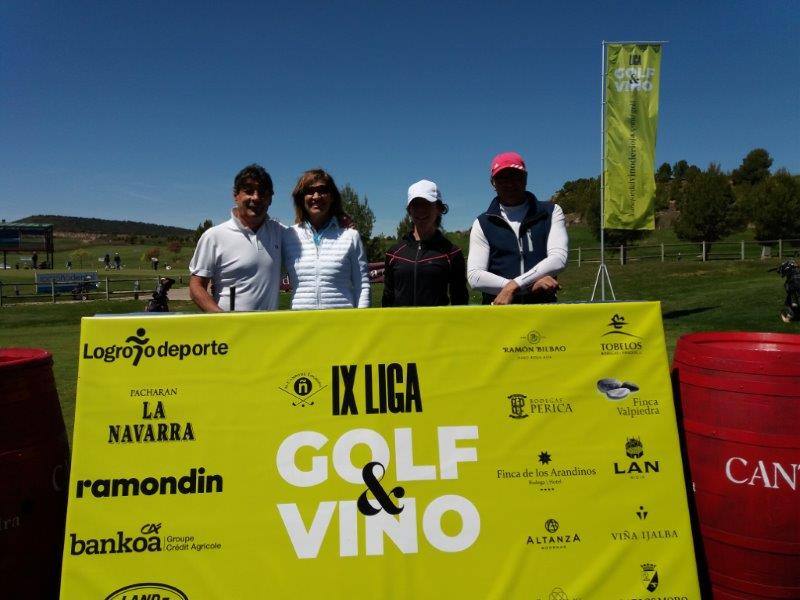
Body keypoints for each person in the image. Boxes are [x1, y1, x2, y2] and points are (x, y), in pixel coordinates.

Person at [467, 151, 568, 305]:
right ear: (493, 183)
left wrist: (514, 286)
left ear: (525, 179)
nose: (509, 184)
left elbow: (558, 259)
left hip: (543, 311)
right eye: (502, 178)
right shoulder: (482, 223)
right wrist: (524, 287)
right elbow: (475, 276)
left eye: (515, 176)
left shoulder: (551, 212)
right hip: (500, 312)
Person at [189, 164, 283, 312]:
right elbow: (196, 286)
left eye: (263, 192)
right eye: (249, 191)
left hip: (269, 330)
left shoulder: (280, 232)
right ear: (236, 196)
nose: (256, 197)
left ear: (271, 198)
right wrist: (223, 319)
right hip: (230, 332)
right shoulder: (214, 236)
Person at [282, 169, 369, 310]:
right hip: (301, 326)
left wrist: (362, 322)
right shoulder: (288, 236)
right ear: (301, 198)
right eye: (309, 191)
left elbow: (362, 285)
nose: (316, 196)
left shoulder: (351, 236)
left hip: (342, 326)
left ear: (332, 196)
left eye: (323, 190)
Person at [382, 180, 468, 307]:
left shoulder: (452, 253)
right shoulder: (394, 253)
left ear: (439, 208)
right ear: (409, 210)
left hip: (437, 326)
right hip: (400, 326)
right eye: (416, 205)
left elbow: (460, 300)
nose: (421, 210)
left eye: (427, 204)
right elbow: (387, 299)